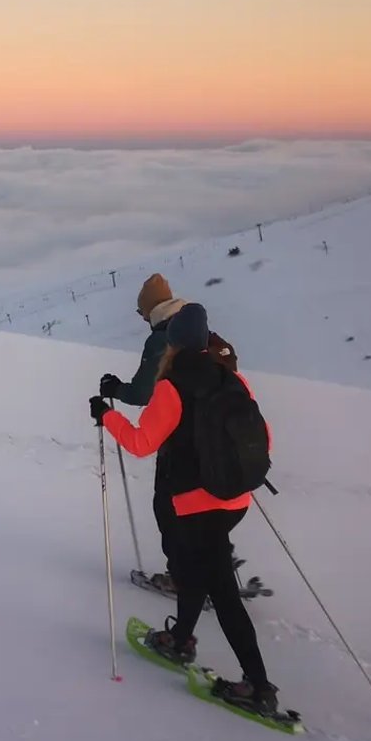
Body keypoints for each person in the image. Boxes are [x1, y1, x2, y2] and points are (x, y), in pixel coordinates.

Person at [89, 302, 277, 714]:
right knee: (196, 573)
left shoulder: (171, 386)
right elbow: (262, 436)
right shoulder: (234, 379)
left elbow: (141, 443)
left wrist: (106, 416)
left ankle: (259, 688)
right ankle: (180, 640)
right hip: (237, 499)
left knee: (223, 593)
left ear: (172, 343)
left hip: (196, 505)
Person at [98, 274, 239, 596]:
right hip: (221, 436)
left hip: (181, 443)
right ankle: (216, 559)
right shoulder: (203, 330)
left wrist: (115, 391)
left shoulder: (165, 337)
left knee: (170, 508)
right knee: (213, 502)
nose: (142, 318)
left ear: (150, 310)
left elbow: (144, 393)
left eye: (141, 312)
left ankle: (182, 577)